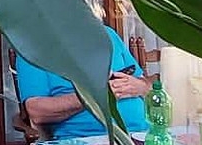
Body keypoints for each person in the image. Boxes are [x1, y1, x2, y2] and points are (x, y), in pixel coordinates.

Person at [14, 25, 150, 138]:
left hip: (142, 135)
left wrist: (140, 86)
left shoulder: (108, 34)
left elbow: (145, 83)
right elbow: (36, 111)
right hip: (87, 140)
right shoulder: (33, 46)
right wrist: (92, 96)